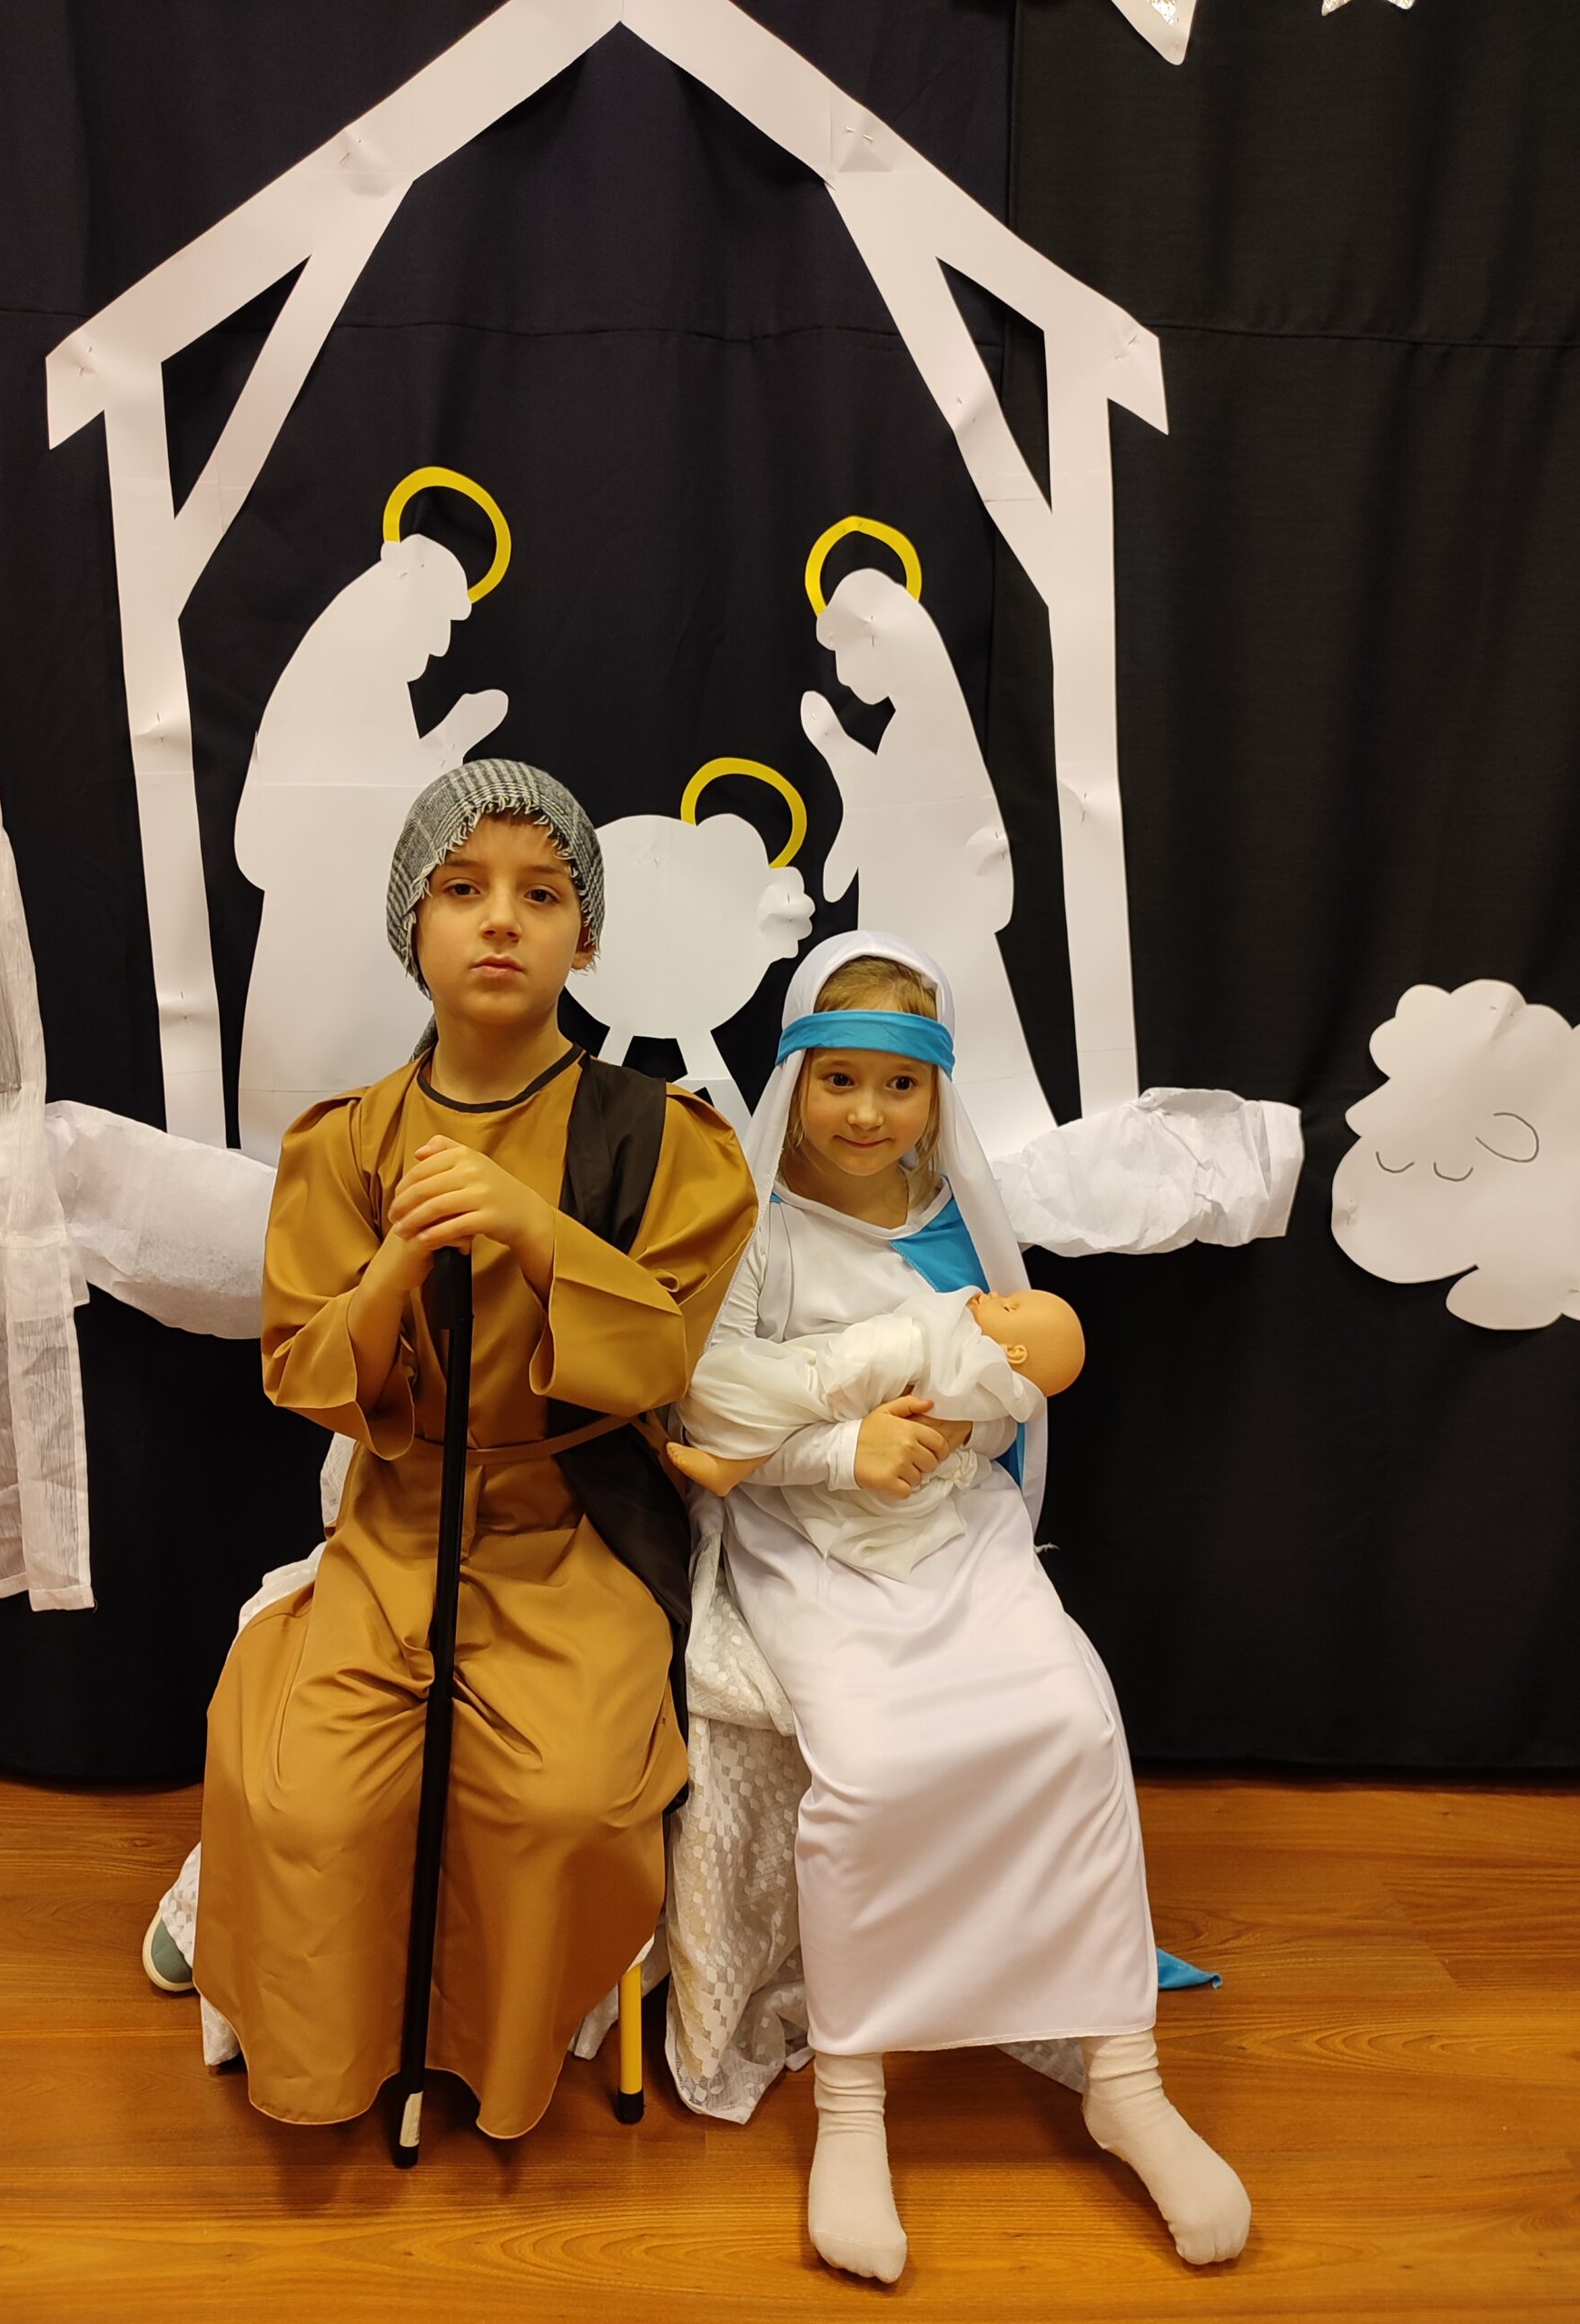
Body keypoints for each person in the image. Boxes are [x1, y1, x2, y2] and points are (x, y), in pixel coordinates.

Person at [184, 759, 756, 2138]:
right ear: (413, 924)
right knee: (306, 1802)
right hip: (396, 1529)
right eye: (461, 888)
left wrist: (534, 1228)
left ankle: (493, 2062)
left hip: (573, 1528)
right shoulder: (346, 1144)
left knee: (562, 1805)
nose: (500, 919)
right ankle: (337, 2053)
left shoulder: (665, 1141)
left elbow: (661, 1355)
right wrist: (396, 1262)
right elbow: (306, 1368)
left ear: (585, 937)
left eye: (541, 894)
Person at [701, 931, 1249, 2282]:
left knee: (1073, 1724)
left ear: (938, 1093)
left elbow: (1017, 1386)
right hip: (809, 1543)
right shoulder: (754, 1228)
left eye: (900, 1085)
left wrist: (953, 1412)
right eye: (839, 1080)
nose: (867, 1113)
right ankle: (854, 2100)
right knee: (873, 1766)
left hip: (956, 1528)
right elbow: (711, 1409)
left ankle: (1123, 2077)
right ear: (795, 1080)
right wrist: (849, 1443)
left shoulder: (956, 1220)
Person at [667, 1284, 1082, 1578]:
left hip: (862, 1412)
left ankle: (735, 1459)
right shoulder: (995, 1394)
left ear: (1013, 1353)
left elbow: (896, 1356)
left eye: (1008, 1307)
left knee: (767, 1393)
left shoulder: (968, 1359)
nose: (991, 1295)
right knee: (765, 1394)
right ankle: (737, 1461)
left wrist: (964, 1424)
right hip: (869, 1458)